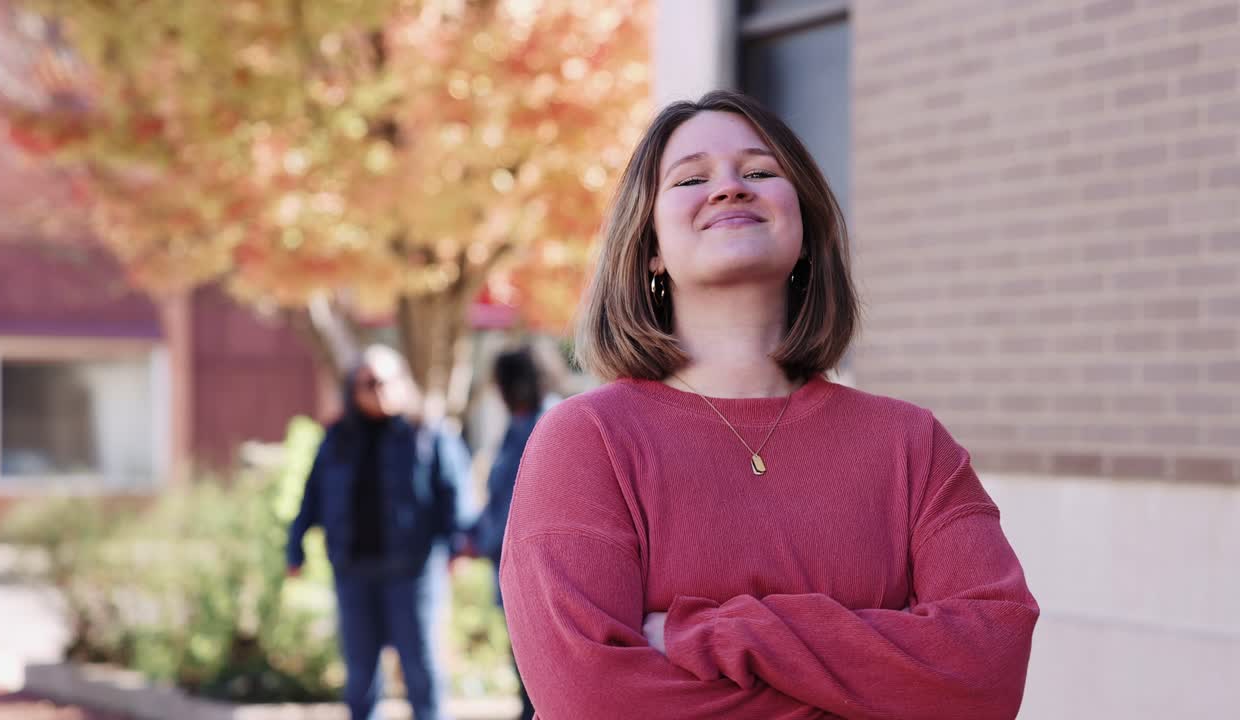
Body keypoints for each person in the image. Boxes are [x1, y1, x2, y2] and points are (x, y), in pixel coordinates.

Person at [499, 90, 1039, 720]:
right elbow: (591, 699)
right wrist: (870, 683)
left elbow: (987, 672)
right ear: (649, 247)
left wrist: (708, 634)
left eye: (759, 172)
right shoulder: (586, 440)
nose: (729, 189)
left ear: (805, 229)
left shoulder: (911, 444)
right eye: (691, 178)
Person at [287, 345, 470, 720]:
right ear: (353, 390)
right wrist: (296, 548)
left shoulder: (428, 434)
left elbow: (455, 494)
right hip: (354, 570)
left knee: (421, 670)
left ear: (404, 383)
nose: (380, 390)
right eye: (369, 383)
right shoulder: (337, 437)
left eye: (388, 381)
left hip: (413, 571)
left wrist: (458, 547)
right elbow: (312, 495)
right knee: (360, 675)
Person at [461, 347, 544, 720]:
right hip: (509, 565)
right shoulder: (516, 429)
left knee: (537, 667)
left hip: (533, 570)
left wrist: (481, 540)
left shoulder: (542, 428)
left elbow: (515, 506)